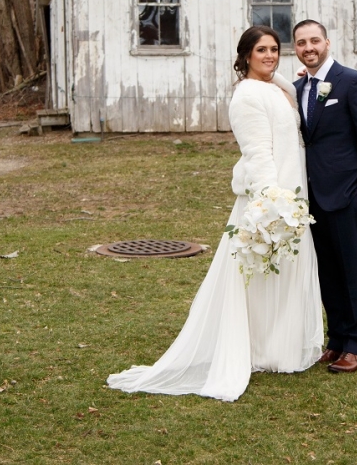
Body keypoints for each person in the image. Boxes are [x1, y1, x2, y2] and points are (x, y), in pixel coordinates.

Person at [107, 25, 323, 402]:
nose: (270, 56)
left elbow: (289, 96)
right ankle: (258, 348)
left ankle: (279, 347)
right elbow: (257, 153)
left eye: (274, 49)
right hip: (272, 199)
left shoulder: (279, 87)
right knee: (259, 276)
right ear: (245, 57)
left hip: (296, 192)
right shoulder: (246, 96)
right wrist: (272, 205)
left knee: (286, 274)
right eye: (261, 51)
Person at [293, 19, 357, 374]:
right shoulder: (301, 86)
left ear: (327, 43)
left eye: (314, 40)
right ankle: (337, 339)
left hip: (347, 194)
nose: (309, 47)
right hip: (313, 196)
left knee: (352, 270)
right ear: (296, 48)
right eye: (301, 42)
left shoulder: (354, 82)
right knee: (327, 271)